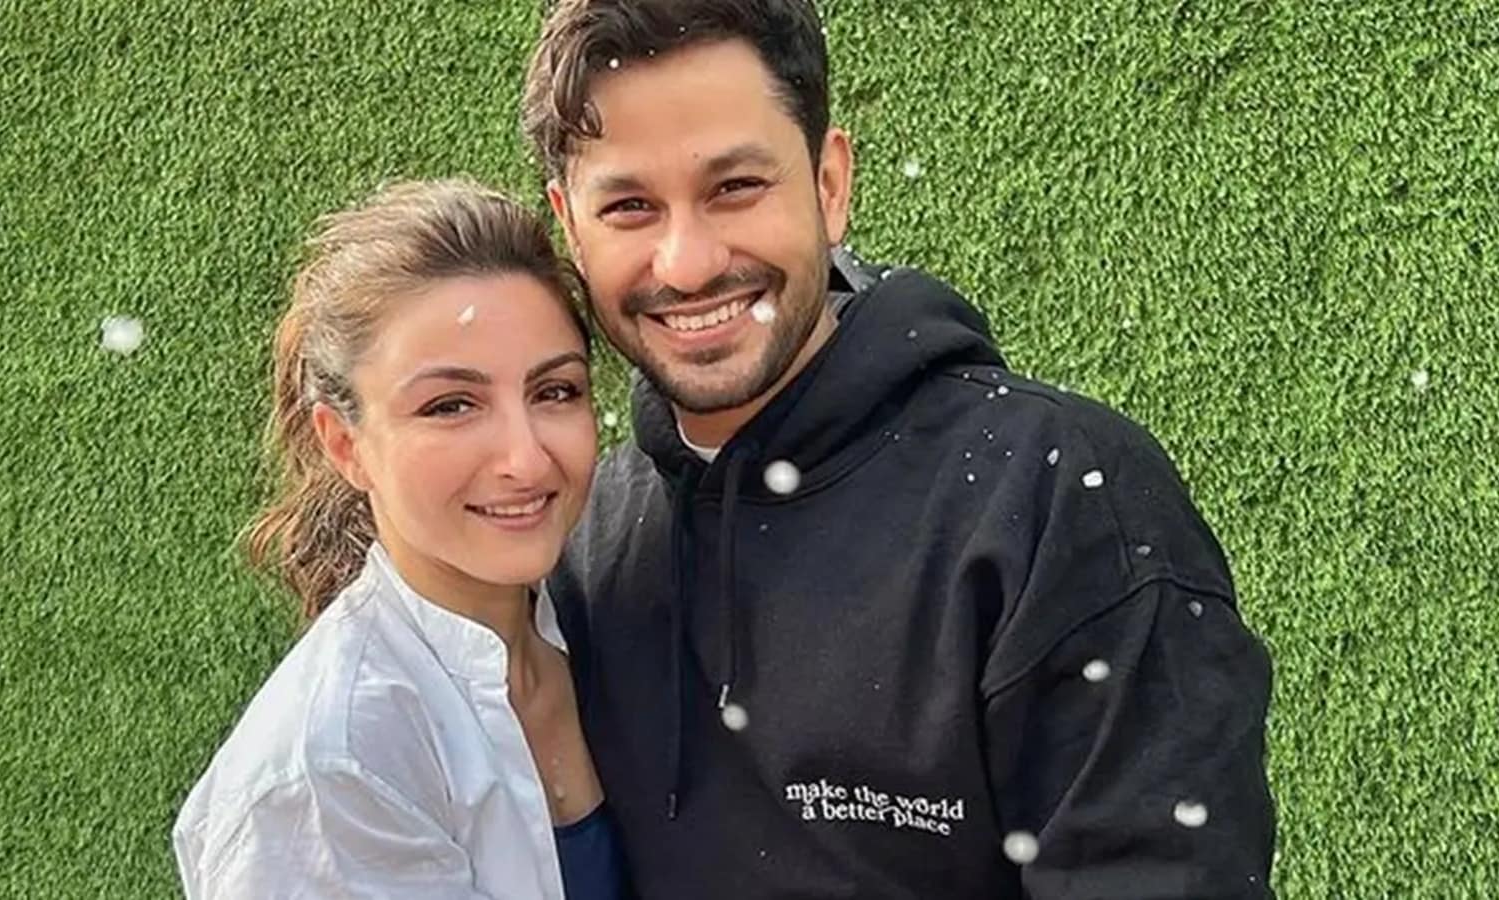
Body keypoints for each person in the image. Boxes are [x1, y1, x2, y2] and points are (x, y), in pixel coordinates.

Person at [524, 2, 1276, 897]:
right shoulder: (579, 546)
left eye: (735, 187)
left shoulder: (1055, 500)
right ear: (571, 227)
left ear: (829, 183)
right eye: (630, 207)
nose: (686, 263)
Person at [172, 180, 630, 899]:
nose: (526, 457)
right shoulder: (331, 769)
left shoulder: (596, 629)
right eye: (451, 406)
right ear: (344, 444)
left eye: (555, 391)